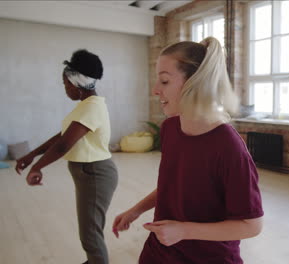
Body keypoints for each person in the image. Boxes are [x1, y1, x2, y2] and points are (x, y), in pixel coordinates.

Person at [112, 37, 264, 263]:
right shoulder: (170, 128)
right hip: (160, 251)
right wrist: (136, 210)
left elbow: (251, 226)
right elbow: (173, 186)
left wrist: (184, 231)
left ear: (195, 83)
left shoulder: (228, 146)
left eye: (164, 81)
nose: (155, 90)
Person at [15, 49, 118, 264]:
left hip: (95, 174)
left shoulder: (92, 107)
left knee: (90, 235)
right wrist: (32, 155)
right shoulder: (87, 106)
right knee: (89, 231)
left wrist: (37, 167)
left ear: (77, 83)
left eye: (66, 84)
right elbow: (63, 136)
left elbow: (63, 145)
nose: (65, 90)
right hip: (89, 174)